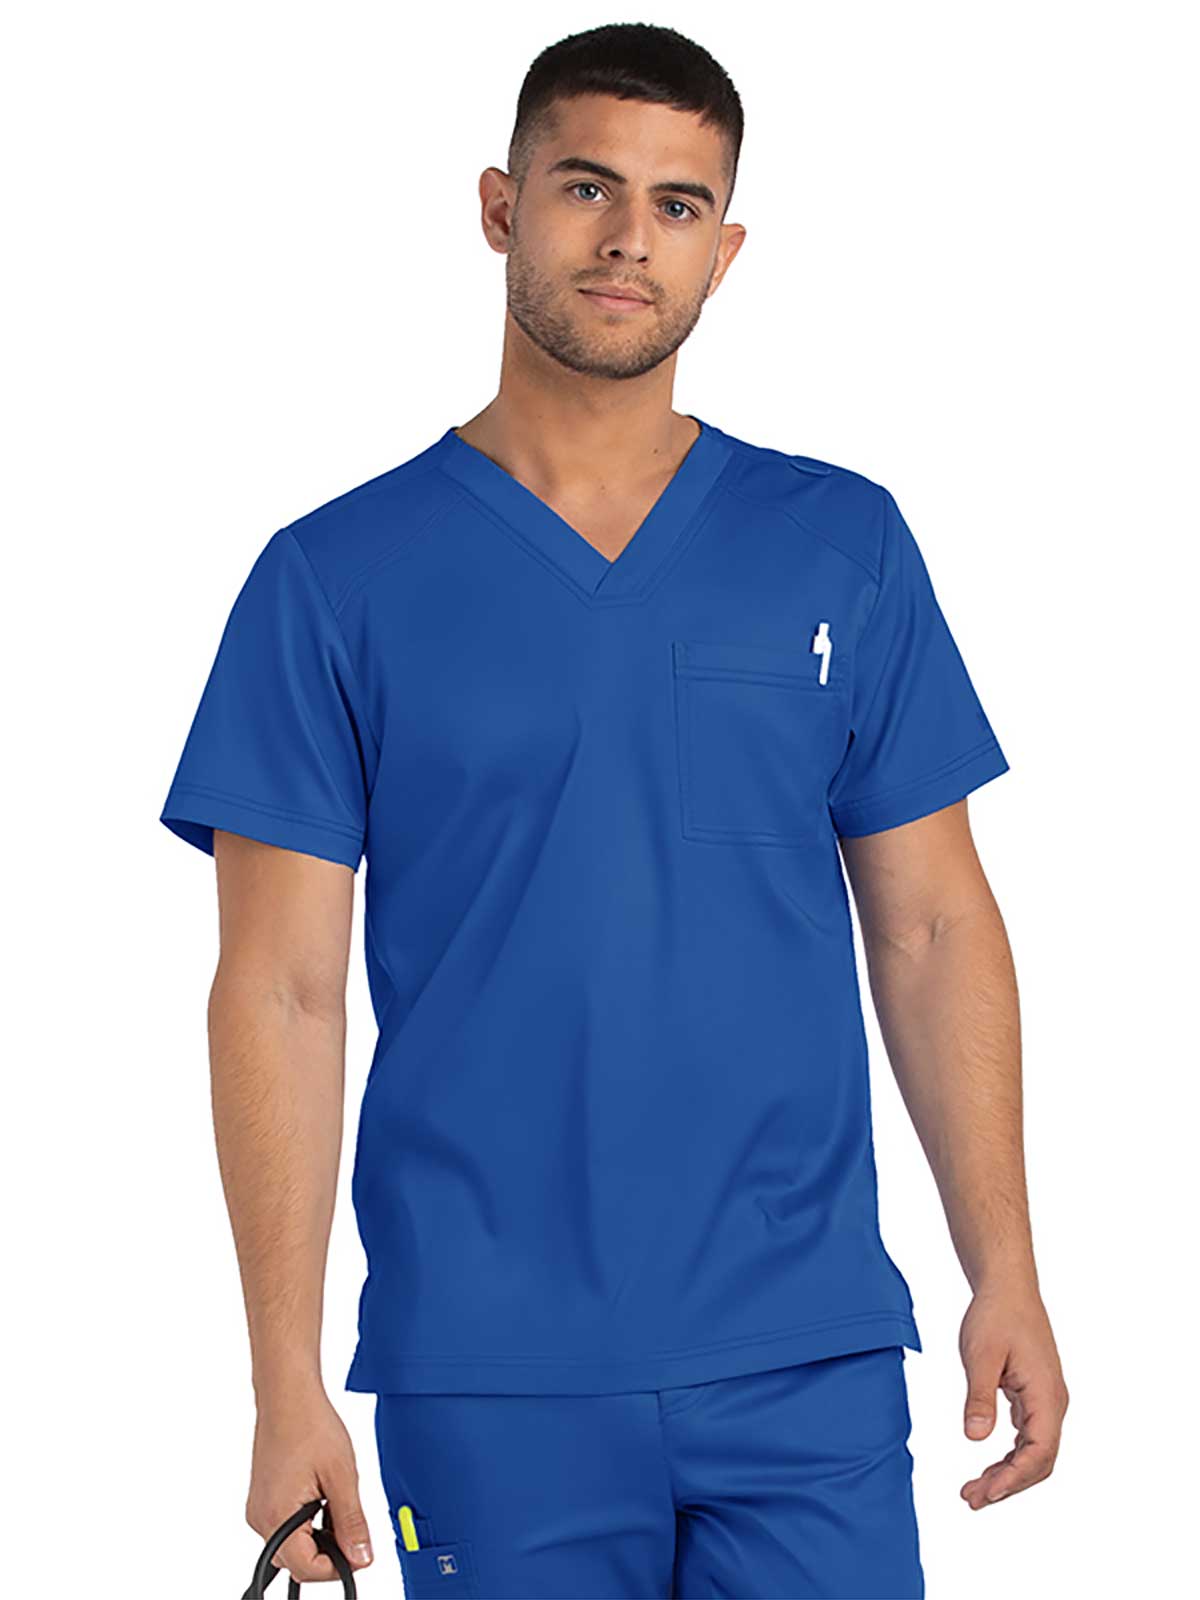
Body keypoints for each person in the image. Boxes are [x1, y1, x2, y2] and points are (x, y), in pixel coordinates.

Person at [159, 22, 1068, 1599]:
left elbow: (931, 926)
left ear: (727, 249)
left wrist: (1010, 1266)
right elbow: (283, 991)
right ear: (500, 206)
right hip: (487, 1373)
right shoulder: (333, 579)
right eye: (588, 187)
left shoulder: (841, 543)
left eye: (677, 203)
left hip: (807, 1356)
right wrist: (282, 1381)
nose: (630, 237)